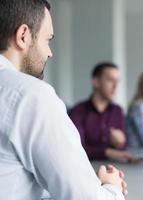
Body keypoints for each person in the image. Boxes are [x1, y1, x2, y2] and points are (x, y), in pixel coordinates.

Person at [0, 0, 127, 199]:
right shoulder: (31, 95)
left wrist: (80, 181)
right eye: (47, 40)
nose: (50, 53)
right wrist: (112, 188)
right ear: (23, 35)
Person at [69, 62, 136, 162]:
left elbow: (123, 148)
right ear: (96, 82)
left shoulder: (117, 110)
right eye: (110, 80)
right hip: (86, 168)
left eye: (117, 81)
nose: (115, 86)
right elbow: (77, 148)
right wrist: (108, 152)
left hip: (115, 168)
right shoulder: (78, 111)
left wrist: (120, 143)